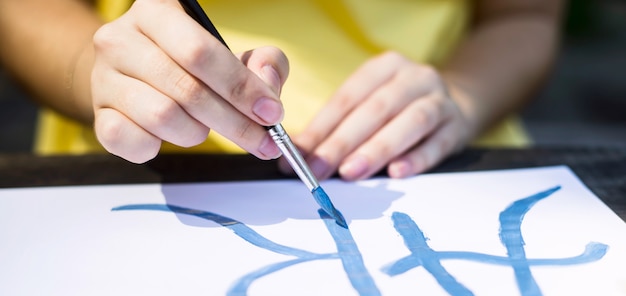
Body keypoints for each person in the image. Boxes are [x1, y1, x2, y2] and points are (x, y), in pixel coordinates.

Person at [0, 0, 565, 181]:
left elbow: (524, 13)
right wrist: (87, 70)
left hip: (439, 152)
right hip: (124, 162)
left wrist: (466, 94)